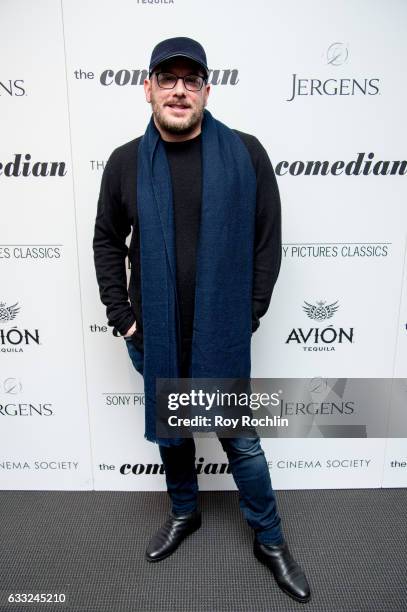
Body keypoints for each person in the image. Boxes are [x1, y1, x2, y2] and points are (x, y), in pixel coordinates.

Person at [93, 36, 311, 603]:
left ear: (207, 90)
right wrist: (123, 317)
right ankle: (185, 513)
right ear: (148, 90)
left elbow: (268, 240)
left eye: (192, 80)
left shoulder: (245, 153)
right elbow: (106, 240)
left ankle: (270, 539)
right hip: (154, 337)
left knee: (241, 443)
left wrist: (251, 312)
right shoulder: (123, 163)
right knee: (173, 439)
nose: (180, 90)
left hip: (220, 334)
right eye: (168, 79)